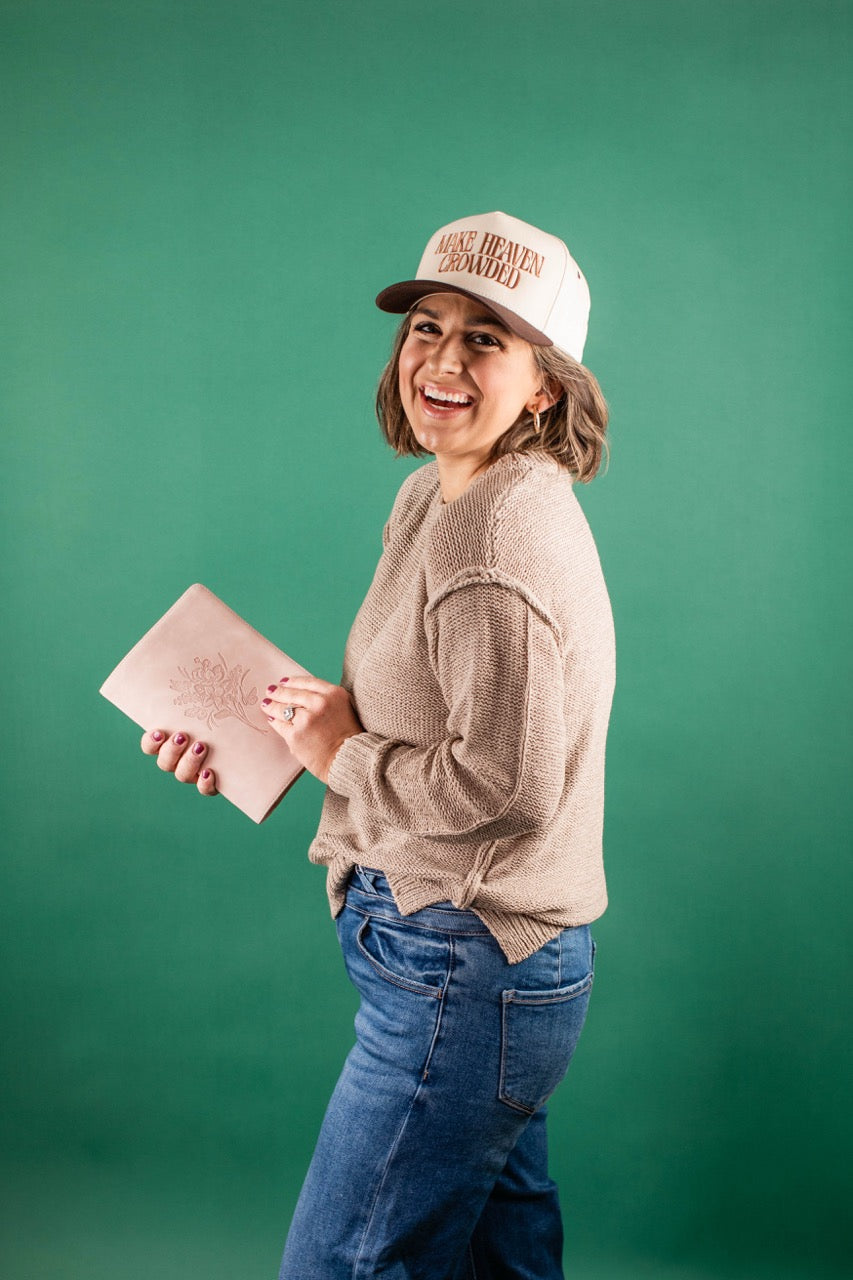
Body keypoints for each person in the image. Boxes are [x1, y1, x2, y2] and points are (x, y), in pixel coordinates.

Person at [141, 210, 616, 1279]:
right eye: (426, 326)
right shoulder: (439, 496)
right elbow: (408, 718)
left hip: (465, 961)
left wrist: (338, 759)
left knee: (341, 1267)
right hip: (461, 958)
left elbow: (506, 782)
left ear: (545, 383)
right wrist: (252, 742)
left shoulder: (496, 538)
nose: (441, 358)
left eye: (486, 338)